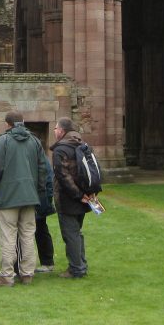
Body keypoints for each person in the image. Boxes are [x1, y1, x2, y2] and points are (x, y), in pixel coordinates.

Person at [0, 110, 45, 286]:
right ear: (22, 122)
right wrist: (38, 191)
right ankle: (27, 274)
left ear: (7, 124)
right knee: (27, 235)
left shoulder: (3, 140)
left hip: (8, 197)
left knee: (9, 236)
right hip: (29, 196)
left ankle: (7, 276)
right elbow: (43, 169)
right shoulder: (34, 140)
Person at [51, 117, 94, 278]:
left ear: (62, 131)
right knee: (77, 232)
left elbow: (63, 176)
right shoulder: (83, 145)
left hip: (69, 198)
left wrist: (77, 195)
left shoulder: (61, 150)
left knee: (71, 234)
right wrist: (86, 194)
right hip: (84, 197)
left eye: (55, 128)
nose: (54, 131)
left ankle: (76, 269)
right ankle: (81, 264)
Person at [16, 146, 56, 274]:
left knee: (40, 229)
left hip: (38, 200)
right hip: (27, 199)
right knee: (25, 230)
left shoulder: (40, 158)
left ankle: (47, 262)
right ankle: (20, 263)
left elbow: (49, 179)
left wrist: (47, 199)